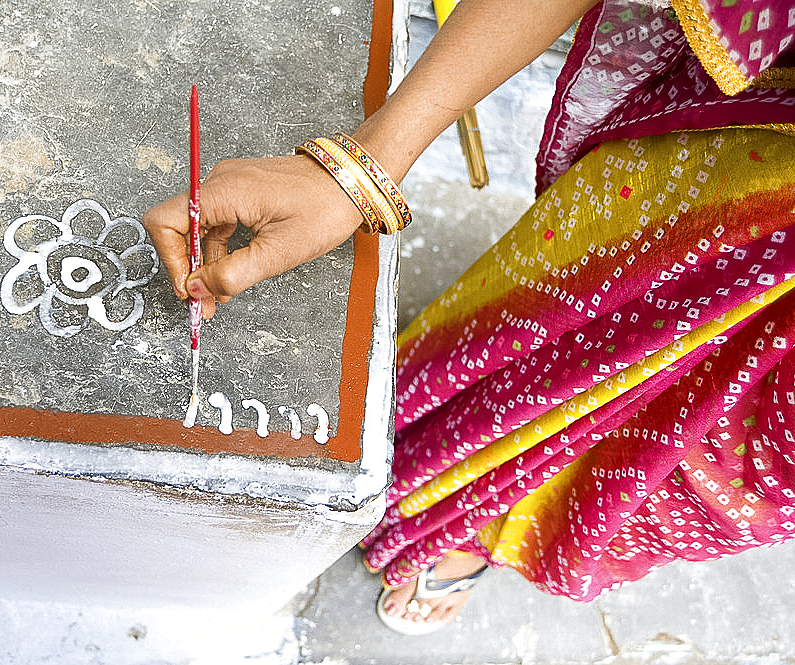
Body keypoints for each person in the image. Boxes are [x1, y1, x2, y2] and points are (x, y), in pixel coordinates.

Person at [144, 0, 795, 635]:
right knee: (540, 330)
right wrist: (362, 168)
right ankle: (430, 443)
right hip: (744, 187)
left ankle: (485, 532)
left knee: (686, 487)